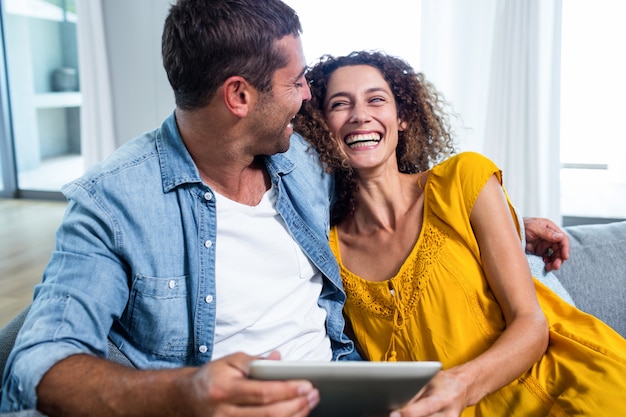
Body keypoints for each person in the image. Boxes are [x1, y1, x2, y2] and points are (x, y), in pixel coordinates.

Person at [1, 0, 569, 415]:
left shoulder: (301, 157)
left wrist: (504, 224)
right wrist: (187, 393)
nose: (309, 97)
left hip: (348, 395)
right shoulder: (114, 202)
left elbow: (391, 197)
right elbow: (35, 364)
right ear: (240, 96)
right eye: (297, 82)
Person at [295, 50, 626, 416]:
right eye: (341, 104)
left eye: (376, 99)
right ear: (322, 126)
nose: (360, 115)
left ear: (402, 117)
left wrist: (460, 386)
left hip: (566, 390)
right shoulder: (326, 252)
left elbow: (531, 324)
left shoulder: (463, 181)